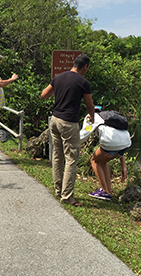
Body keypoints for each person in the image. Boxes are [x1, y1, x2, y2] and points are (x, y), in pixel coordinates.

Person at [40, 54, 95, 206]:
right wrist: (92, 116)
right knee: (71, 159)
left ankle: (58, 190)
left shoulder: (59, 77)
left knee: (57, 155)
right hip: (69, 123)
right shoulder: (83, 82)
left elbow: (43, 95)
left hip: (55, 120)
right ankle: (67, 196)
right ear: (85, 67)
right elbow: (90, 105)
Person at [88, 124, 131, 201]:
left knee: (94, 160)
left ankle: (105, 192)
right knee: (102, 162)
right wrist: (124, 168)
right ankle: (108, 191)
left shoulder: (94, 119)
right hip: (125, 142)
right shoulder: (110, 120)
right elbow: (120, 147)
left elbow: (86, 132)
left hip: (111, 142)